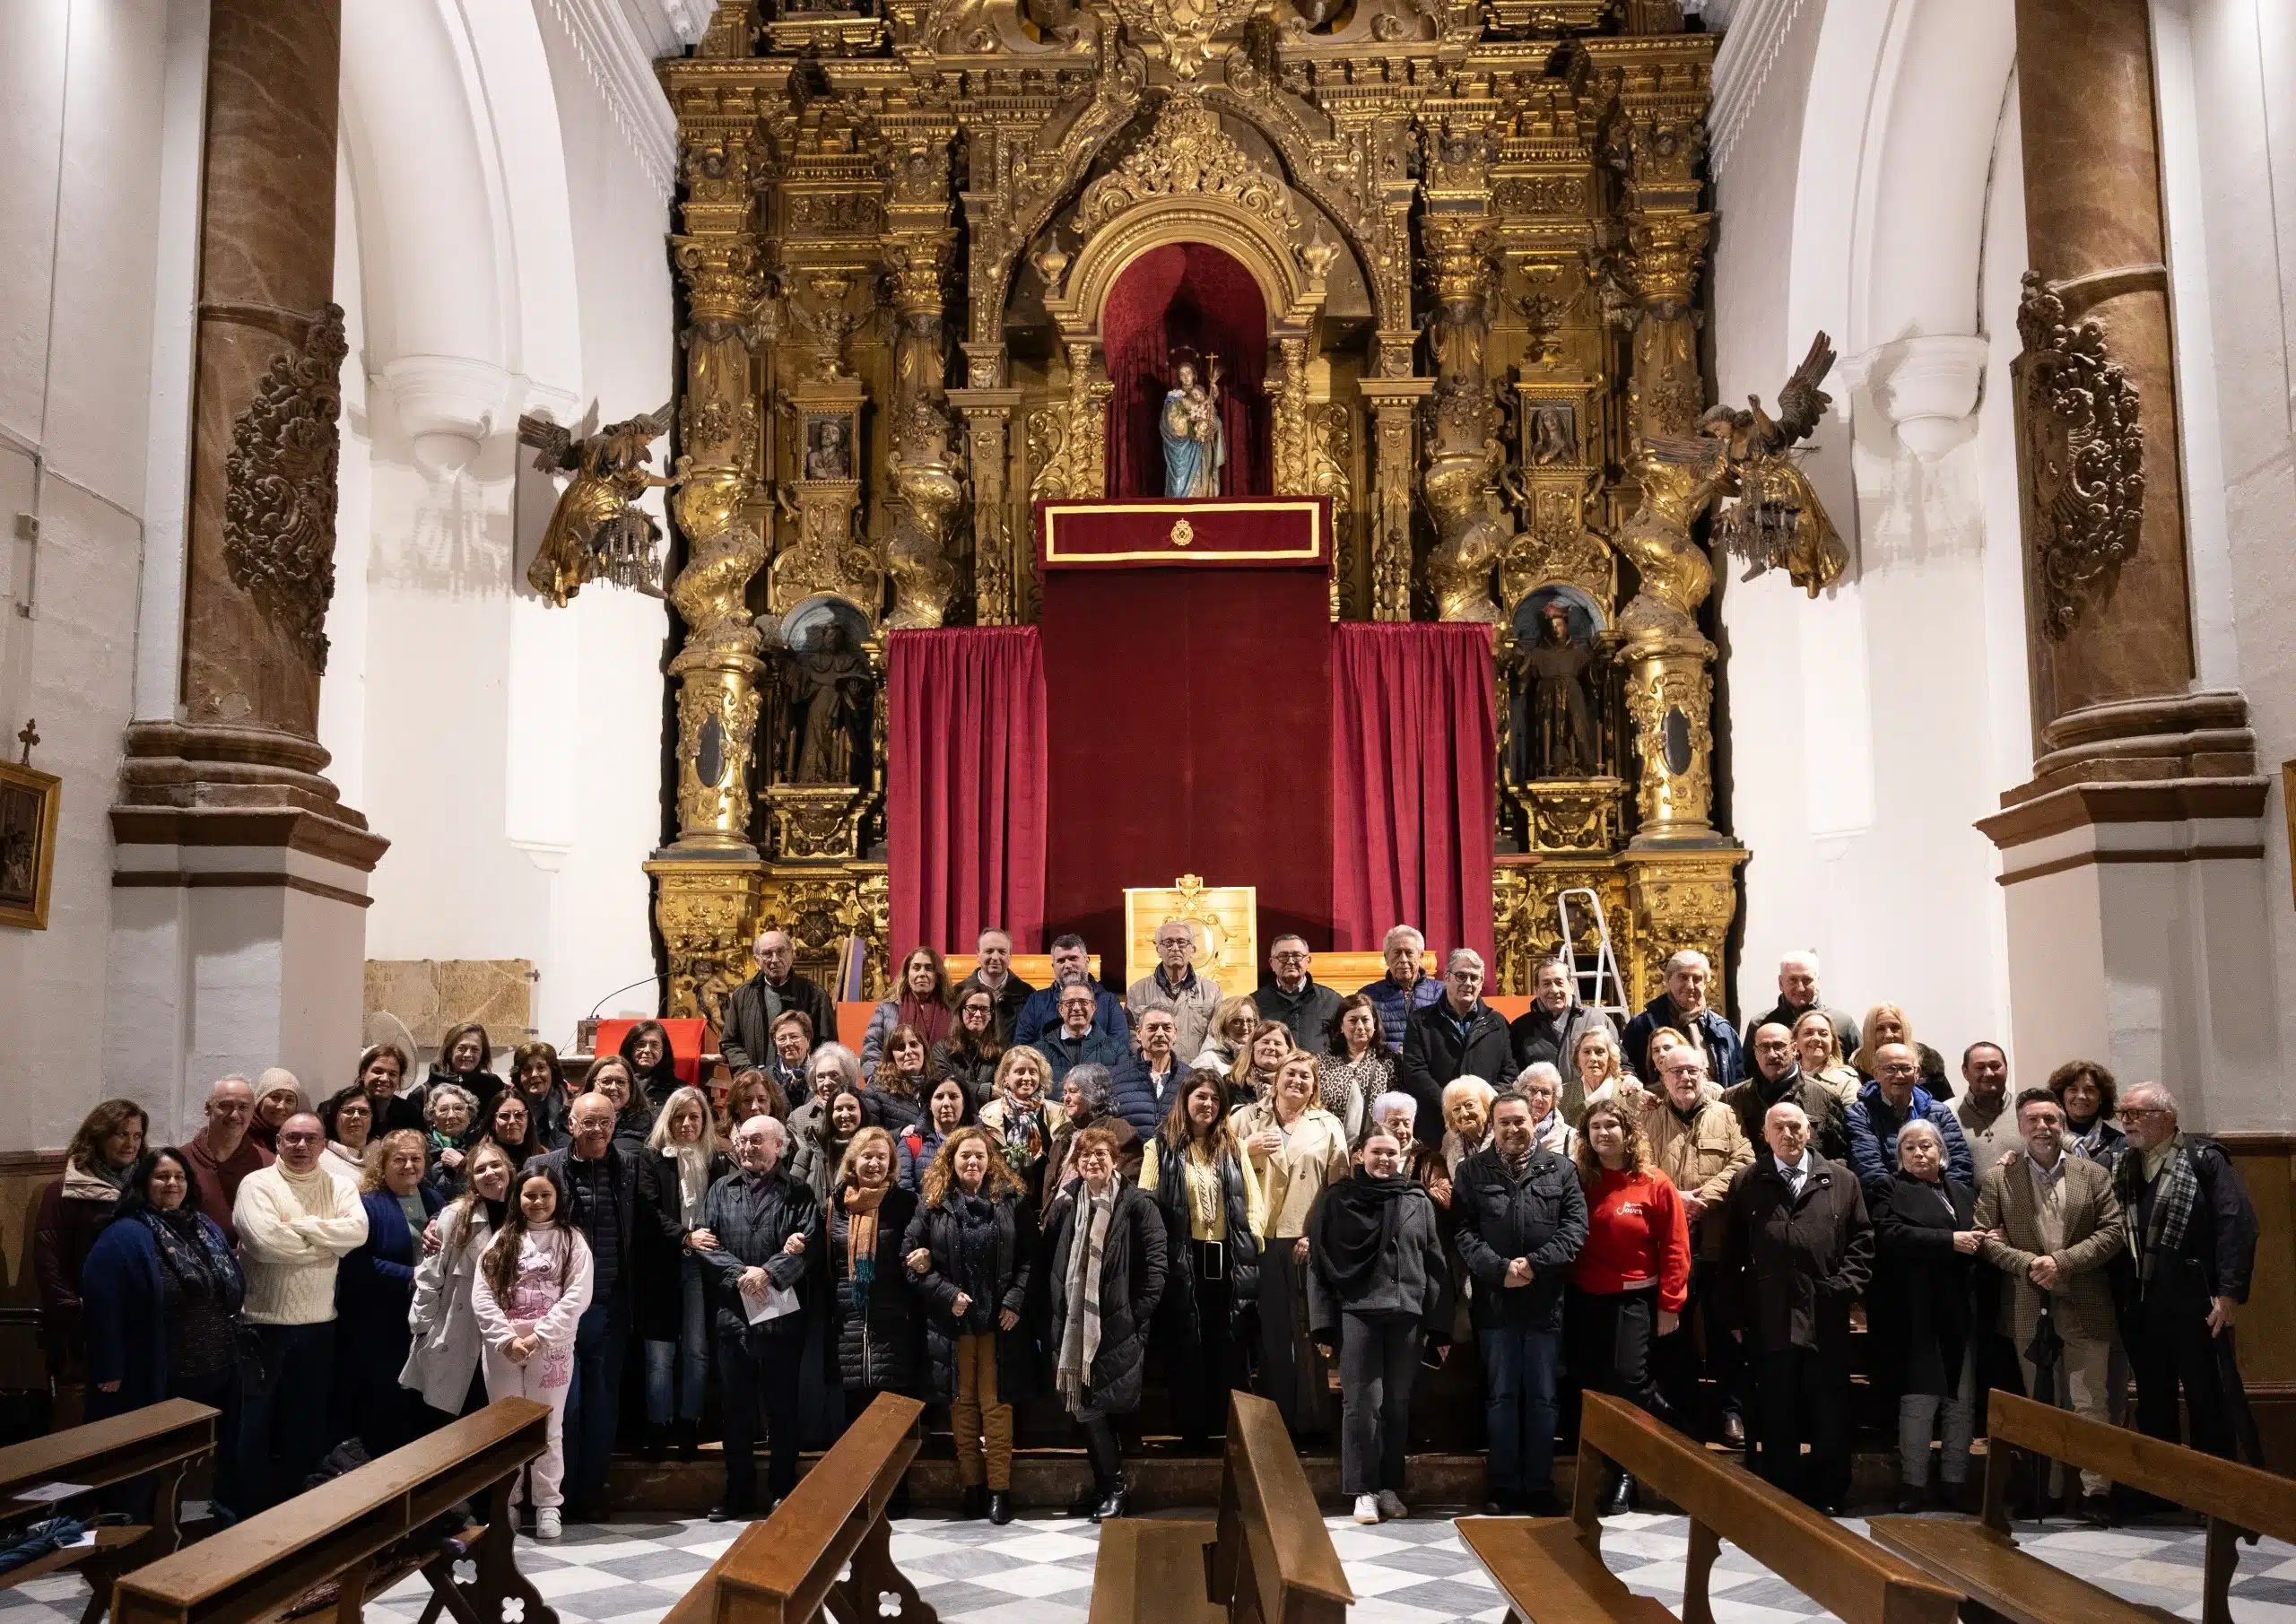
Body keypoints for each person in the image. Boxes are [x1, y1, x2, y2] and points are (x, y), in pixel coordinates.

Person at [1975, 1087, 2124, 1518]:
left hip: (2085, 1303)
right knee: (2041, 1403)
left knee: (2090, 1401)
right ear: (2020, 1127)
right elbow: (1984, 1238)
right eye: (2033, 1121)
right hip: (2028, 1302)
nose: (2043, 1127)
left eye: (2051, 1120)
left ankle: (2096, 1492)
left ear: (2062, 1124)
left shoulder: (2092, 1174)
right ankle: (2049, 1490)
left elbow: (2112, 1233)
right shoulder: (2000, 1178)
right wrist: (2031, 1265)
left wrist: (2062, 1262)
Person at [1722, 1101, 1872, 1514]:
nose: (1789, 1135)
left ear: (1809, 1131)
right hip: (1768, 1314)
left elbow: (1862, 1242)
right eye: (1780, 1129)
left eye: (1796, 1127)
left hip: (1825, 1313)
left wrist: (1842, 1288)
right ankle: (1782, 1491)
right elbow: (1731, 1251)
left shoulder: (1841, 1180)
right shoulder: (1748, 1182)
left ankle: (1828, 1493)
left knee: (1829, 1407)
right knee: (1776, 1405)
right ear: (1765, 1136)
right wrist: (1735, 1314)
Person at [83, 1148, 247, 1516]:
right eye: (162, 1177)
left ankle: (193, 1521)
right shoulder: (125, 1234)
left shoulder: (205, 1227)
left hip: (217, 1367)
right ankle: (148, 1529)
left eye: (179, 1177)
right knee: (157, 1459)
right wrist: (109, 1368)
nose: (172, 1184)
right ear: (143, 1184)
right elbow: (100, 1302)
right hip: (162, 1372)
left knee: (204, 1457)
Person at [1452, 1092, 1587, 1515]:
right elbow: (1463, 1232)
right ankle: (1505, 1486)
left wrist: (1535, 1265)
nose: (1512, 1130)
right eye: (1504, 1123)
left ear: (1535, 1121)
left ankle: (1540, 1486)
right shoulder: (1471, 1171)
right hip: (1496, 1305)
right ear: (1493, 1126)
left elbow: (1575, 1228)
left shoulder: (1562, 1169)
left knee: (1544, 1396)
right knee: (1502, 1396)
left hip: (1545, 1303)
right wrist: (1499, 1270)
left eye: (1520, 1121)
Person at [2110, 1082, 2259, 1461]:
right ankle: (2164, 1491)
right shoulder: (2116, 1159)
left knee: (2206, 1395)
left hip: (2195, 1299)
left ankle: (2214, 1495)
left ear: (2168, 1118)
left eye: (2136, 1114)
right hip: (2140, 1302)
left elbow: (2236, 1223)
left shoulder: (2204, 1158)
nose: (2126, 1122)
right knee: (2152, 1395)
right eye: (2122, 1113)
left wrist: (2228, 1294)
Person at [1309, 1129, 1448, 1526]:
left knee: (1396, 1404)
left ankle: (1389, 1485)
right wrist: (1321, 1324)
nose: (1385, 1159)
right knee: (1362, 1404)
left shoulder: (1417, 1200)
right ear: (1359, 1155)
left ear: (1403, 1156)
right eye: (1377, 1152)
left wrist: (1438, 1327)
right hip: (1358, 1313)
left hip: (1407, 1315)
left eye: (1393, 1152)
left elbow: (1435, 1264)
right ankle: (1362, 1491)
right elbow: (1319, 1264)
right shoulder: (1338, 1199)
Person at [233, 1112, 369, 1510]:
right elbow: (263, 1243)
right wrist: (328, 1239)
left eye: (311, 1139)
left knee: (306, 1427)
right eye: (292, 1138)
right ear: (278, 1143)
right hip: (263, 1326)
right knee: (254, 1428)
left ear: (324, 1145)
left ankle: (299, 1512)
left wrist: (298, 1225)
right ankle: (246, 1514)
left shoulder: (341, 1184)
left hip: (319, 1326)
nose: (301, 1147)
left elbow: (357, 1233)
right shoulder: (256, 1184)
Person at [904, 1126, 1032, 1524]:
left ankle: (999, 1490)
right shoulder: (933, 1203)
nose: (973, 1162)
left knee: (996, 1407)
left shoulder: (1012, 1201)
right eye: (965, 1156)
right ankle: (972, 1486)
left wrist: (1013, 1300)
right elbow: (908, 1259)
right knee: (963, 1407)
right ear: (951, 1161)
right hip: (954, 1324)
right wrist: (946, 1294)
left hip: (998, 1322)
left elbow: (1030, 1259)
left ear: (990, 1160)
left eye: (979, 1155)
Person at [695, 1115, 820, 1519]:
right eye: (742, 1141)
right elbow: (707, 1244)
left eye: (757, 1141)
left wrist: (769, 1273)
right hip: (734, 1316)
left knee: (783, 1408)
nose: (747, 1148)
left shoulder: (799, 1191)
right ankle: (739, 1493)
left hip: (781, 1317)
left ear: (779, 1147)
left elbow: (807, 1245)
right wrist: (741, 1276)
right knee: (736, 1410)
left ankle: (784, 1490)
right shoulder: (720, 1189)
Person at [1569, 1097, 1689, 1514]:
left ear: (1629, 1132)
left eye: (1612, 1126)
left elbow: (1675, 1245)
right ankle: (1619, 1470)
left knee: (1628, 1379)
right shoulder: (1580, 1180)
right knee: (1598, 1387)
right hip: (1585, 1297)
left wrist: (1670, 1303)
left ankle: (1676, 1429)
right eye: (1595, 1127)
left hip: (1634, 1295)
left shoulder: (1654, 1183)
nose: (1603, 1133)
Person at [1043, 1128, 1168, 1521]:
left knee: (1099, 1408)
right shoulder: (1065, 1205)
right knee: (1087, 1407)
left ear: (1115, 1159)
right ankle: (1105, 1487)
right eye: (1084, 1155)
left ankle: (1114, 1488)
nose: (1092, 1161)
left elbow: (1156, 1266)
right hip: (1073, 1329)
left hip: (1118, 1325)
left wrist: (1135, 1316)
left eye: (1100, 1154)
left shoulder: (1137, 1205)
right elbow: (1050, 1263)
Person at [524, 1090, 638, 1523]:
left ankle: (591, 1490)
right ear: (571, 1124)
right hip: (555, 1310)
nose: (597, 1130)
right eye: (587, 1122)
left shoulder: (629, 1165)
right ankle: (556, 1495)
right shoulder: (545, 1167)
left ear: (615, 1125)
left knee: (602, 1402)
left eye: (605, 1122)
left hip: (609, 1306)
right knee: (561, 1407)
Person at [1139, 1072, 1263, 1453]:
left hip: (1228, 1257)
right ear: (1185, 1101)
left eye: (1213, 1098)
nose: (1207, 1104)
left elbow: (1253, 1199)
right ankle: (1192, 1432)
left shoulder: (1234, 1146)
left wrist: (1253, 1238)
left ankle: (1229, 1431)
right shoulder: (1159, 1146)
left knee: (1227, 1344)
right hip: (1183, 1257)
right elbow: (1146, 1203)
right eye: (1199, 1097)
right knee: (1186, 1346)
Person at [1233, 1051, 1352, 1437]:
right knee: (1270, 1335)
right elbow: (1215, 1165)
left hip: (1304, 1240)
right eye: (1291, 1073)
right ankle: (1273, 1425)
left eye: (1306, 1076)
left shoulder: (1329, 1124)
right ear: (1276, 1078)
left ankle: (1311, 1424)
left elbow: (1338, 1191)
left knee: (1308, 1334)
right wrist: (1246, 1149)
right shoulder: (1246, 1118)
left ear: (1315, 1086)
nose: (1297, 1081)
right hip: (1258, 1240)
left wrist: (1315, 1235)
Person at [474, 1163, 594, 1540]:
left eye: (545, 1195)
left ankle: (547, 1504)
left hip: (551, 1347)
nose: (538, 1201)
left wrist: (540, 1335)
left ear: (557, 1197)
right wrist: (506, 1338)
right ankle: (507, 1502)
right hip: (503, 1348)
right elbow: (482, 1295)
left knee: (547, 1427)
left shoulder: (571, 1240)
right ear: (518, 1198)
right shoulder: (502, 1240)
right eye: (530, 1195)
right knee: (507, 1430)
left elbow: (577, 1295)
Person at [1643, 1048, 1753, 1445]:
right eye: (1677, 1071)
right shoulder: (1648, 1116)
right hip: (1669, 1248)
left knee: (1725, 1332)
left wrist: (1703, 1195)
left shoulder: (1725, 1115)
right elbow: (1639, 1167)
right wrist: (1676, 1199)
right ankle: (1682, 1414)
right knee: (1676, 1334)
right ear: (1664, 1074)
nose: (1685, 1078)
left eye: (1693, 1070)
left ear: (1705, 1073)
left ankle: (1731, 1413)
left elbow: (1743, 1160)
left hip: (1718, 1243)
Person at [1875, 1119, 1986, 1513]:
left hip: (1961, 1309)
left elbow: (1978, 1237)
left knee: (1961, 1402)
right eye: (1910, 1148)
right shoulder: (1889, 1188)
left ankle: (1955, 1482)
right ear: (1899, 1155)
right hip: (1915, 1311)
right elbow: (1888, 1236)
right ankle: (1914, 1484)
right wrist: (1948, 1241)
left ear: (1942, 1152)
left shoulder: (1962, 1191)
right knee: (1919, 1401)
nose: (1919, 1154)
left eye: (1926, 1147)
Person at [637, 1086, 731, 1459]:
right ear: (668, 1120)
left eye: (695, 1116)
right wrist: (686, 1236)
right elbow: (647, 1210)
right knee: (659, 1353)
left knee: (697, 1350)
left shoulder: (716, 1160)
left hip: (702, 1266)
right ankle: (658, 1425)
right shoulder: (651, 1159)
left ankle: (689, 1424)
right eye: (679, 1116)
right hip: (662, 1262)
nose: (687, 1123)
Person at [337, 1129, 442, 1456]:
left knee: (419, 1401)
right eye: (399, 1159)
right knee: (385, 1401)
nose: (409, 1165)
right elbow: (355, 1264)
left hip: (425, 1317)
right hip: (381, 1321)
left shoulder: (433, 1198)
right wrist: (410, 1276)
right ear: (382, 1165)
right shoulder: (368, 1204)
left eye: (416, 1158)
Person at [36, 1099, 148, 1403]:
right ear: (98, 1136)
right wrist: (82, 1313)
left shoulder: (148, 1188)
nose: (131, 1144)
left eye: (137, 1136)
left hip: (142, 1324)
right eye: (121, 1134)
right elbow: (51, 1268)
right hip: (87, 1329)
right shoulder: (64, 1193)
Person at [825, 1126, 920, 1474]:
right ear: (853, 1161)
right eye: (867, 1155)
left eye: (882, 1156)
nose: (875, 1163)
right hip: (849, 1317)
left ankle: (895, 1491)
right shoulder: (837, 1203)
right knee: (855, 1408)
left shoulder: (906, 1204)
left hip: (893, 1318)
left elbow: (916, 1250)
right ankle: (858, 1488)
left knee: (892, 1409)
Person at [403, 1140, 513, 1429]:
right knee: (452, 1424)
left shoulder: (523, 1215)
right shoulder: (456, 1215)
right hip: (456, 1334)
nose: (489, 1173)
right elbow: (429, 1276)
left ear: (509, 1169)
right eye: (480, 1170)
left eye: (495, 1165)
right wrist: (423, 1330)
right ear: (471, 1179)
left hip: (502, 1339)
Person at [1400, 949, 1518, 1129]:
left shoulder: (1498, 1023)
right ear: (1446, 978)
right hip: (1436, 1124)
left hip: (1485, 1124)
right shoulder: (1420, 1021)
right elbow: (1415, 1073)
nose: (1468, 983)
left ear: (1481, 983)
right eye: (1461, 976)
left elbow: (1510, 1074)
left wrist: (1483, 1104)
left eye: (1474, 978)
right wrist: (1451, 1106)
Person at [1848, 1042, 1973, 1203]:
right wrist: (1908, 1202)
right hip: (1890, 1205)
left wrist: (1948, 1199)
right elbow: (1868, 1168)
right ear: (1876, 1073)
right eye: (1890, 1069)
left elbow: (1959, 1161)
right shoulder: (1860, 1113)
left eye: (1906, 1068)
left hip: (1941, 1202)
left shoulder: (1939, 1112)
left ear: (1917, 1073)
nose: (1899, 1075)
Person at [1721, 1022, 1848, 1162]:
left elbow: (1839, 1159)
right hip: (1751, 1182)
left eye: (1779, 1046)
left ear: (1794, 1049)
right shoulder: (1732, 1099)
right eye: (1764, 1047)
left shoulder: (1824, 1097)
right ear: (1755, 1053)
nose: (1772, 1054)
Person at [1619, 950, 1741, 1091]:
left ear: (1706, 983)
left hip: (1714, 1108)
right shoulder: (1642, 1025)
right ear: (1668, 980)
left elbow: (1738, 1077)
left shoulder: (1723, 1029)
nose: (1690, 986)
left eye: (1697, 979)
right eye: (1683, 977)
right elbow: (1627, 1068)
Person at [722, 929, 840, 1074]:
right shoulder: (742, 995)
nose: (775, 959)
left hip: (803, 1084)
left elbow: (827, 1046)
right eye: (767, 954)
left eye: (781, 951)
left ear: (791, 953)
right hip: (754, 1085)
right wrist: (750, 1073)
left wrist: (808, 1074)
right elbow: (730, 1042)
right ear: (757, 959)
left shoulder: (815, 994)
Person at [187, 1076, 272, 1248]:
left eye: (243, 1107)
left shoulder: (270, 1164)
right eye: (225, 1106)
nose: (234, 1115)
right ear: (207, 1108)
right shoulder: (180, 1161)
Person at [978, 1046, 1065, 1212]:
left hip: (1047, 1204)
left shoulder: (1058, 1113)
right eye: (1019, 1071)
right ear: (1005, 1077)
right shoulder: (987, 1115)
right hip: (1004, 1205)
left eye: (1033, 1072)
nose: (1027, 1078)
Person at [1741, 951, 1861, 1068]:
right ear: (1781, 983)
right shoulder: (1761, 1025)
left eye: (1807, 980)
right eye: (1793, 980)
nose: (1800, 988)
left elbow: (1863, 1068)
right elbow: (1746, 1073)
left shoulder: (1842, 1023)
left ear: (1817, 981)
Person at [1126, 918, 1222, 1063]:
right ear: (1158, 950)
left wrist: (1203, 1068)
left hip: (1197, 1076)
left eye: (1182, 942)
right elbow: (1130, 1034)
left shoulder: (1213, 992)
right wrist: (1147, 1064)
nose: (1175, 948)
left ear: (1192, 950)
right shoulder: (1137, 991)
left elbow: (1218, 1035)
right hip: (1152, 1075)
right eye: (1168, 943)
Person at [1013, 935, 1131, 1049]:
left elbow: (1120, 1048)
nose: (1068, 965)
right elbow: (1022, 1048)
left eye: (1073, 958)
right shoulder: (1036, 1001)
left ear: (1087, 961)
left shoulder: (1109, 1001)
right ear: (1053, 966)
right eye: (1061, 961)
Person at [1047, 1064, 1144, 1197]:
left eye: (1073, 1091)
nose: (1066, 1098)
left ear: (1092, 1094)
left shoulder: (1118, 1131)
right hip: (1058, 1215)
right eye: (1065, 1092)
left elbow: (1125, 1186)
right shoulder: (1062, 1137)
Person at [861, 947, 954, 1080]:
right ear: (907, 973)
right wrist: (879, 1082)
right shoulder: (887, 1008)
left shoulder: (952, 1010)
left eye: (929, 968)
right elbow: (871, 1050)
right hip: (895, 1088)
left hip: (942, 1088)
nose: (922, 973)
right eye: (916, 968)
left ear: (937, 975)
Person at [1509, 955, 1613, 1075]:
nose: (1554, 990)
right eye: (1546, 984)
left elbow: (1622, 1065)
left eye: (1559, 983)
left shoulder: (1598, 1020)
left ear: (1571, 986)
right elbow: (1513, 1075)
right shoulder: (1521, 1028)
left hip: (1589, 1093)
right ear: (1537, 989)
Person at [1321, 994, 1392, 1148]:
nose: (1360, 1026)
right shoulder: (1322, 1063)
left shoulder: (1389, 1061)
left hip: (1376, 1151)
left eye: (1365, 1020)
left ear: (1374, 1023)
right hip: (1331, 1148)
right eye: (1353, 1020)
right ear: (1341, 1025)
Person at [1357, 925, 1443, 1052]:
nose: (1403, 960)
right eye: (1397, 953)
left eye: (1409, 953)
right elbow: (1360, 1040)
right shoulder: (1368, 995)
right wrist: (1396, 1049)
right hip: (1386, 1066)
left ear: (1420, 957)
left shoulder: (1442, 992)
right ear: (1386, 958)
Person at [1110, 1008, 1189, 1139]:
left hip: (1176, 1158)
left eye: (1166, 1028)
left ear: (1175, 1033)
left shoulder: (1190, 1078)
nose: (1160, 1033)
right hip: (1133, 1158)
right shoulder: (1115, 1078)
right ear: (1139, 1033)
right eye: (1152, 1028)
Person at [1257, 936, 1343, 1055]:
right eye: (1283, 956)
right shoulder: (1256, 1002)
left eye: (1297, 955)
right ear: (1272, 963)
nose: (1290, 961)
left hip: (1319, 1071)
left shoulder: (1332, 1000)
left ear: (1308, 961)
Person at [1035, 980, 1128, 1083]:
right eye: (1070, 1003)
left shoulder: (1117, 1051)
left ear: (1093, 1007)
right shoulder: (1039, 1052)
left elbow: (1122, 1090)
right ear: (1060, 1009)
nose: (1076, 1008)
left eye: (1083, 1002)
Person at [952, 927, 1035, 1036]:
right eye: (989, 951)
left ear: (1010, 956)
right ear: (978, 955)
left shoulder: (1028, 995)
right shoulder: (957, 993)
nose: (995, 957)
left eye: (1002, 952)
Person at [1857, 1003, 1952, 1099]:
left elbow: (1945, 1102)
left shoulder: (1929, 1061)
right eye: (1880, 1029)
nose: (1889, 1035)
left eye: (1895, 1028)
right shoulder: (1857, 1069)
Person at [793, 1084, 866, 1206]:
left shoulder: (873, 1151)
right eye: (838, 1109)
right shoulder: (809, 1153)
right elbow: (794, 1196)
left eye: (851, 1108)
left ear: (861, 1111)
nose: (845, 1114)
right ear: (830, 1113)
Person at [1953, 1043, 2022, 1172]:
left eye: (1996, 1066)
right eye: (1980, 1067)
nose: (1989, 1073)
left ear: (2006, 1069)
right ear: (1965, 1072)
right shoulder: (1947, 1112)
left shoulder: (2026, 1107)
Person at [900, 1075, 972, 1194]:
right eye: (939, 1097)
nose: (946, 1103)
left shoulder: (980, 1143)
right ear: (929, 1104)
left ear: (964, 1103)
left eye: (953, 1097)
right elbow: (904, 1191)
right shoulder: (911, 1142)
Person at [932, 988, 1004, 1106]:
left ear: (991, 1015)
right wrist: (984, 1090)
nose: (977, 1014)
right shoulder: (942, 1048)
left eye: (984, 1009)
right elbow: (944, 1082)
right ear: (961, 1011)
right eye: (972, 1008)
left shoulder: (1001, 1051)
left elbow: (1003, 1088)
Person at [2051, 1060, 2126, 1168]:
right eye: (2073, 1089)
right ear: (2062, 1097)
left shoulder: (2120, 1144)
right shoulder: (2050, 1139)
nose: (2081, 1096)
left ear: (2101, 1098)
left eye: (2090, 1090)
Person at [421, 1024, 503, 1122]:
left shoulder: (494, 1087)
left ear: (482, 1054)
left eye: (475, 1049)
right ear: (450, 1052)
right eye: (461, 1048)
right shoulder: (424, 1093)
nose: (468, 1054)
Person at [1567, 1027, 1639, 1126]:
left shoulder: (1631, 1094)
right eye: (1586, 1052)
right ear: (1577, 1059)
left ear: (1611, 1058)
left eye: (1600, 1051)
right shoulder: (1562, 1095)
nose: (1593, 1058)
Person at [423, 1081, 482, 1200]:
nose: (451, 1115)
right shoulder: (420, 1148)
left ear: (470, 1115)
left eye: (458, 1108)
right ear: (433, 1117)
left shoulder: (482, 1146)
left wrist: (463, 1165)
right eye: (444, 1109)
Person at [509, 1042, 571, 1152]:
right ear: (519, 1075)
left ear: (552, 1071)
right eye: (527, 1069)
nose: (534, 1074)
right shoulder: (506, 1107)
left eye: (541, 1068)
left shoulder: (571, 1108)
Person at [587, 1055, 655, 1153]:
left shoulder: (650, 1125)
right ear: (592, 1084)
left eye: (621, 1082)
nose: (613, 1087)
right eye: (606, 1081)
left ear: (630, 1087)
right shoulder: (570, 1121)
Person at [1791, 1011, 1863, 1105]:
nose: (1816, 1038)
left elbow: (1854, 1117)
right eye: (1808, 1033)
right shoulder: (1785, 1075)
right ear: (1796, 1041)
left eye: (1823, 1034)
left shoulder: (1846, 1081)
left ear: (1832, 1041)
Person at [617, 1021, 679, 1128]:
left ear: (664, 1051)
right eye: (641, 1044)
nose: (647, 1050)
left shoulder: (678, 1090)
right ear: (630, 1048)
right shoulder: (615, 1084)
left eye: (655, 1045)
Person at [1224, 1019, 1297, 1107]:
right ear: (1253, 1047)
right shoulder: (1230, 1083)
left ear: (1288, 1051)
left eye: (1278, 1044)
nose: (1271, 1047)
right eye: (1265, 1042)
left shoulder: (1296, 1085)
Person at [1191, 994, 1262, 1077]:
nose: (1245, 1027)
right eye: (1237, 1021)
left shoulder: (1259, 1057)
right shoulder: (1205, 1061)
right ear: (1222, 1025)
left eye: (1249, 1021)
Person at [358, 1043, 422, 1134]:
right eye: (377, 1071)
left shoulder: (410, 1112)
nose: (384, 1078)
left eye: (392, 1074)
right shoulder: (344, 1107)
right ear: (363, 1073)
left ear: (399, 1079)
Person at [318, 1085, 376, 1180]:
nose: (356, 1116)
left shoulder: (386, 1155)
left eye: (363, 1111)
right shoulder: (320, 1160)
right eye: (348, 1111)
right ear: (334, 1119)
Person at [1440, 1077, 1498, 1172]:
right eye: (1456, 1109)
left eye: (1470, 1105)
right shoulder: (1449, 1141)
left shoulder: (1503, 1135)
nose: (1464, 1114)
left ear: (1486, 1106)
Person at [1519, 1064, 1577, 1158]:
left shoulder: (1571, 1137)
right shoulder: (1508, 1130)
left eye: (1546, 1092)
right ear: (1521, 1092)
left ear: (1553, 1099)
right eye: (1532, 1090)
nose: (1538, 1098)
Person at [761, 1011, 816, 1109]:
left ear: (807, 1040)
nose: (788, 1043)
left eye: (794, 1037)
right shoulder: (764, 1078)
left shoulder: (821, 1073)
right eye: (782, 1039)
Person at [483, 1090, 545, 1168]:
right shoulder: (480, 1159)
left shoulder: (544, 1156)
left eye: (519, 1115)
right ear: (492, 1122)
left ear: (528, 1119)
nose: (512, 1121)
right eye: (504, 1116)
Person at [251, 1073, 307, 1154]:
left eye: (289, 1100)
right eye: (275, 1097)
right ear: (260, 1100)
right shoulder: (241, 1134)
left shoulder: (300, 1140)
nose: (281, 1106)